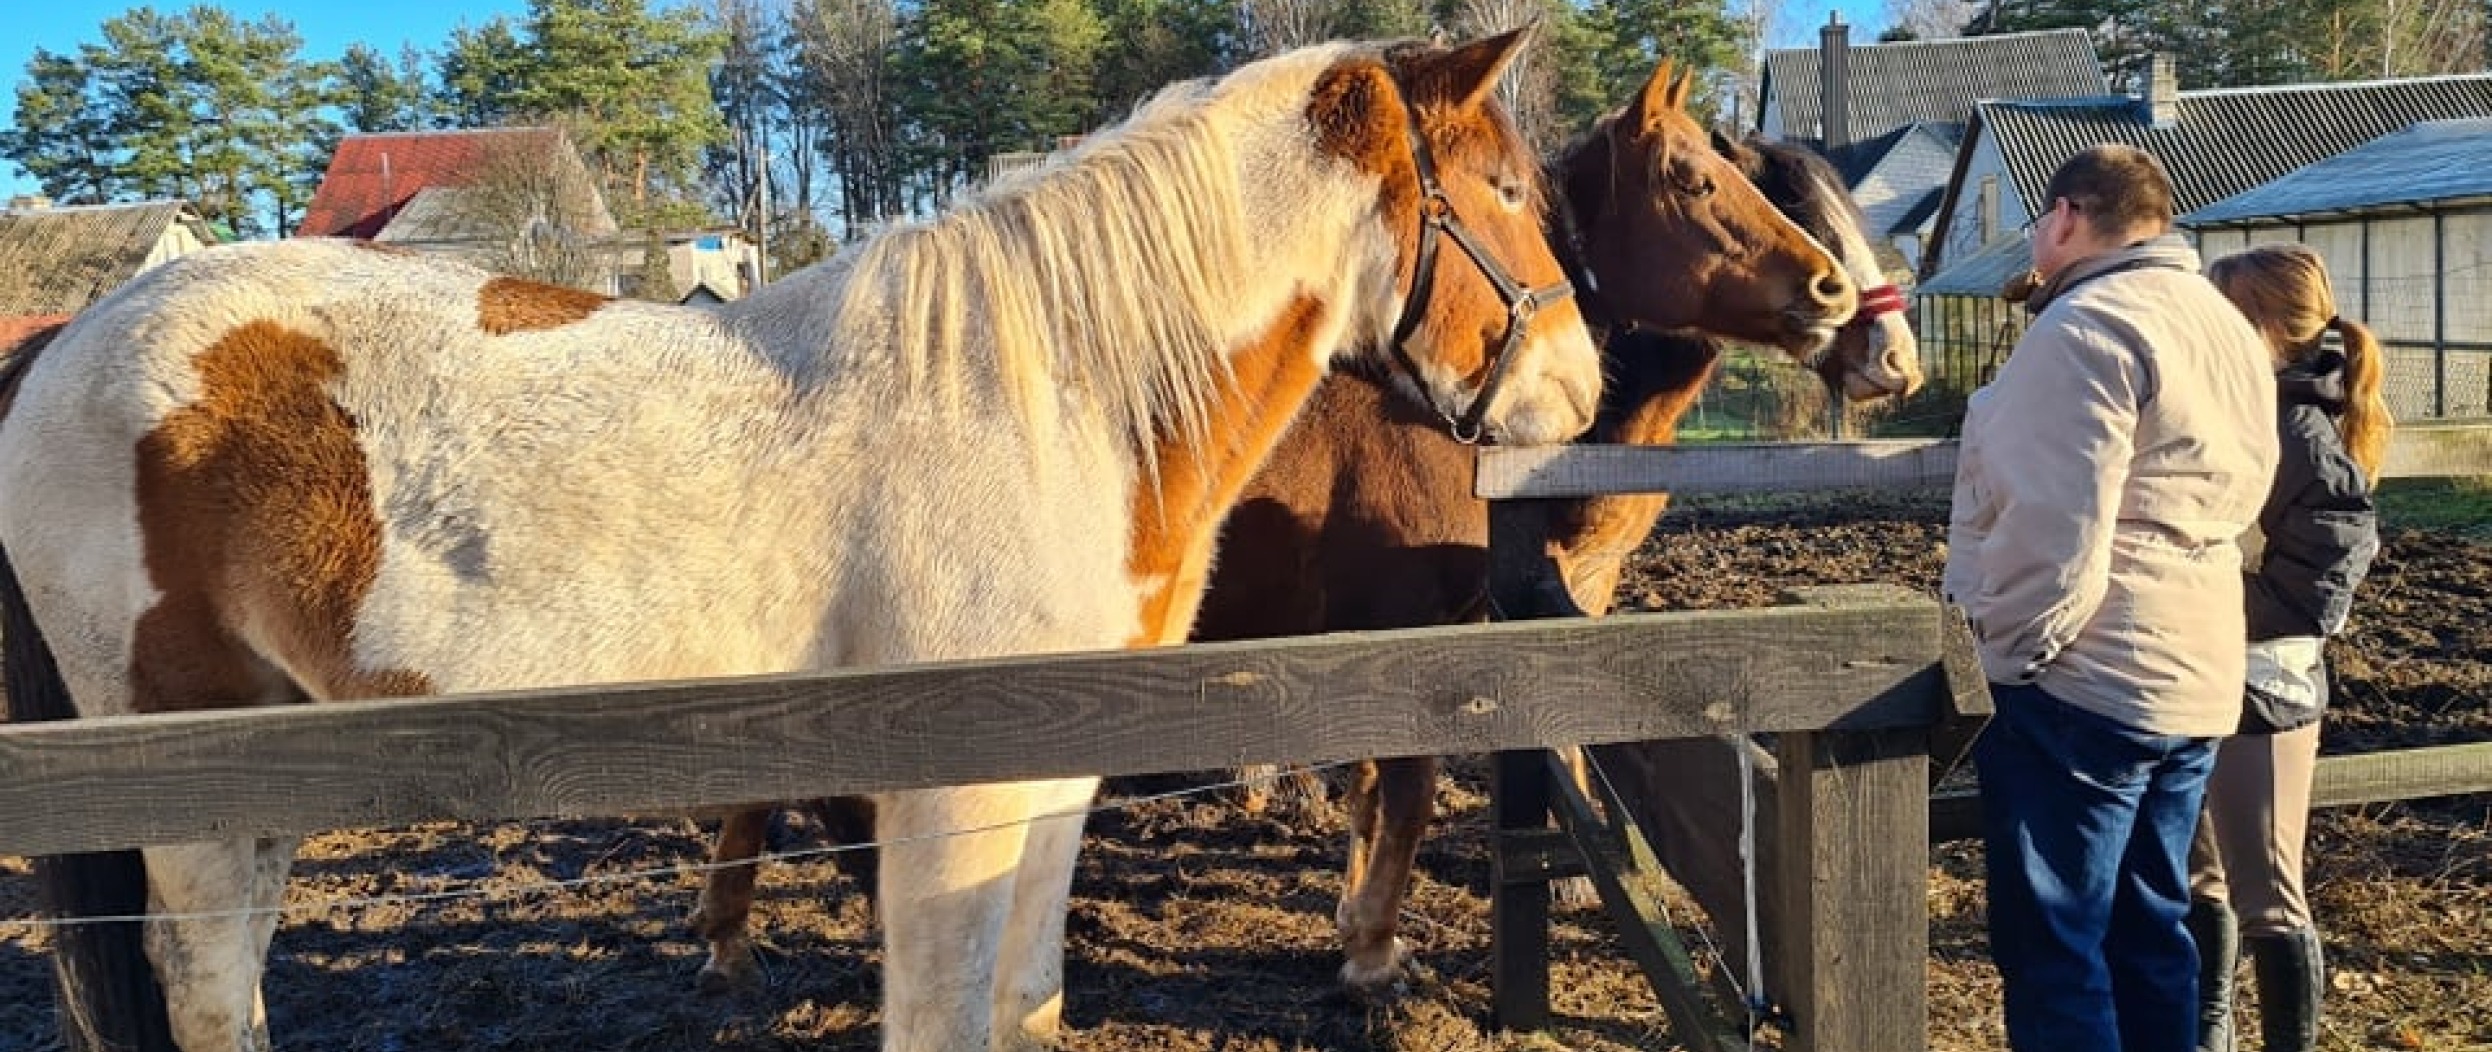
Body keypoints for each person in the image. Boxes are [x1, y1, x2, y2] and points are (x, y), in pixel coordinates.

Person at [1944, 143, 2280, 1052]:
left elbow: (2053, 532)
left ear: (2065, 218)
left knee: (2056, 943)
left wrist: (2013, 659)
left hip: (2090, 678)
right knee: (2150, 921)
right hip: (2198, 669)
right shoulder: (2224, 323)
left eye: (2036, 224)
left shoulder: (2086, 328)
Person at [2185, 244, 2390, 1052]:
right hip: (2199, 673)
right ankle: (2208, 1037)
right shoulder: (2236, 408)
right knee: (2200, 882)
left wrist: (2215, 610)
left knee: (2268, 891)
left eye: (2219, 311)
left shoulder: (2296, 427)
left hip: (2263, 688)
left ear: (2264, 326)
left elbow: (2329, 564)